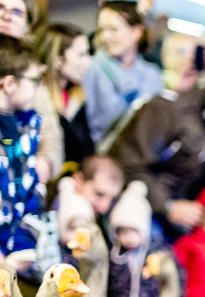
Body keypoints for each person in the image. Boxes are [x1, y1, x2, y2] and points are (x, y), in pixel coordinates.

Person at [107, 74, 205, 240]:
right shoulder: (168, 110)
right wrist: (167, 207)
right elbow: (130, 163)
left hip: (185, 218)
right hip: (138, 208)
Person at [83, 0, 162, 145]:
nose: (105, 37)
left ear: (136, 32)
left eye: (113, 29)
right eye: (101, 30)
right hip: (104, 156)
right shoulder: (91, 69)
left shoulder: (153, 75)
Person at [0, 0, 62, 182]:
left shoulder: (30, 76)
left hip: (18, 173)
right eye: (1, 8)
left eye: (17, 12)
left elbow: (50, 134)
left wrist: (45, 163)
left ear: (27, 27)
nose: (7, 16)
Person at [0, 34, 45, 260]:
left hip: (11, 256)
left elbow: (31, 191)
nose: (38, 88)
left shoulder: (28, 129)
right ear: (9, 84)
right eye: (35, 80)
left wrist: (23, 248)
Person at [35, 22, 93, 170]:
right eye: (81, 55)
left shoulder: (77, 96)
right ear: (57, 60)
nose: (89, 62)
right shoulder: (36, 97)